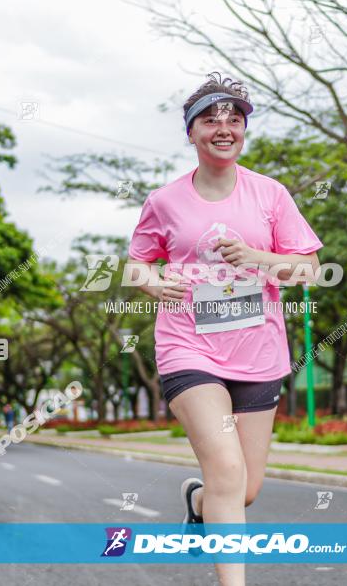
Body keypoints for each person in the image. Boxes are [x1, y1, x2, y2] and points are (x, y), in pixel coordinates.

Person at [126, 72, 322, 586]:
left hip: (258, 352)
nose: (224, 128)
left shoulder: (271, 195)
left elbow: (311, 269)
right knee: (228, 473)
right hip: (188, 347)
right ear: (191, 132)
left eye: (234, 120)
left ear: (243, 131)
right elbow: (137, 264)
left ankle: (197, 500)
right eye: (210, 120)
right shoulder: (164, 201)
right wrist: (152, 285)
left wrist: (260, 256)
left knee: (244, 487)